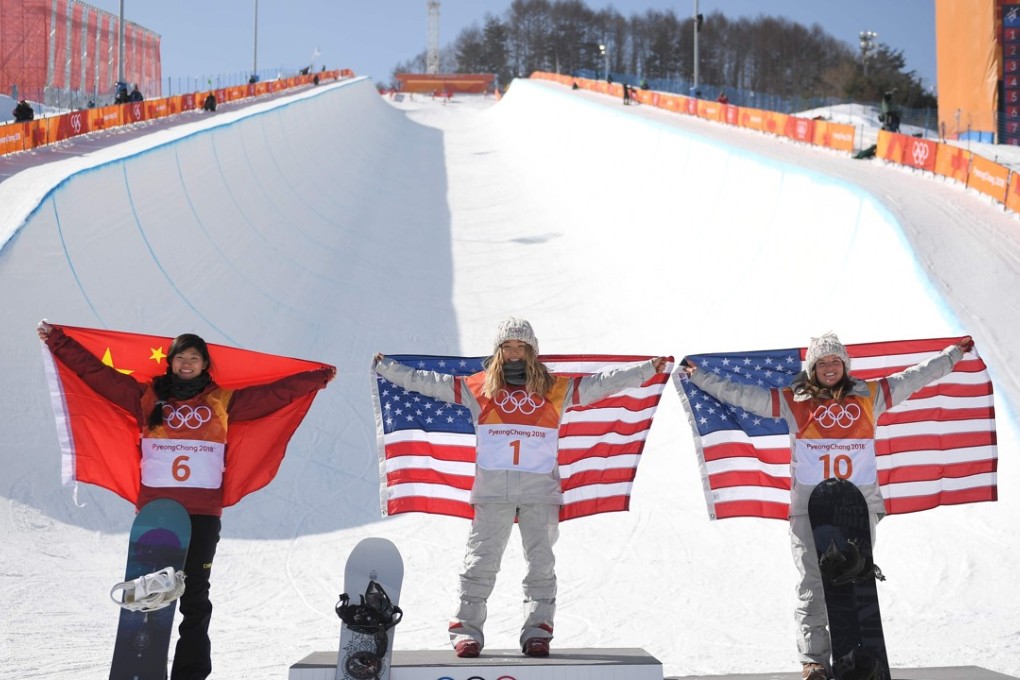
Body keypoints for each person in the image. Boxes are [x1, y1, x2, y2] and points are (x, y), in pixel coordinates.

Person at [37, 322, 335, 680]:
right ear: (171, 362)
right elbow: (99, 375)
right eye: (181, 357)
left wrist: (313, 379)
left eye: (195, 358)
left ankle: (190, 673)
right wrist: (59, 342)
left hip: (202, 512)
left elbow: (272, 396)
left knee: (195, 595)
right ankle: (139, 665)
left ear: (205, 364)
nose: (187, 363)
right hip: (157, 511)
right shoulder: (146, 396)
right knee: (149, 592)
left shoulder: (224, 401)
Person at [680, 332, 972, 680]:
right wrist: (699, 376)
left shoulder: (871, 396)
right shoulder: (793, 400)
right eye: (822, 362)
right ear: (812, 368)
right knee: (813, 582)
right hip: (809, 507)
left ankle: (856, 657)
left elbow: (916, 377)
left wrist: (953, 355)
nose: (829, 367)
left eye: (835, 361)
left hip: (856, 506)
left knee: (854, 578)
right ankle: (814, 661)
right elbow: (744, 396)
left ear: (845, 365)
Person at [374, 318, 667, 659]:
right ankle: (466, 632)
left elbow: (600, 384)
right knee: (479, 564)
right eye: (508, 347)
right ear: (498, 351)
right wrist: (388, 368)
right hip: (493, 492)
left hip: (539, 492)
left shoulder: (556, 388)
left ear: (532, 351)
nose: (514, 353)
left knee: (540, 565)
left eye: (521, 347)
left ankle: (537, 630)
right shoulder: (478, 387)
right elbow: (430, 383)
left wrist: (647, 370)